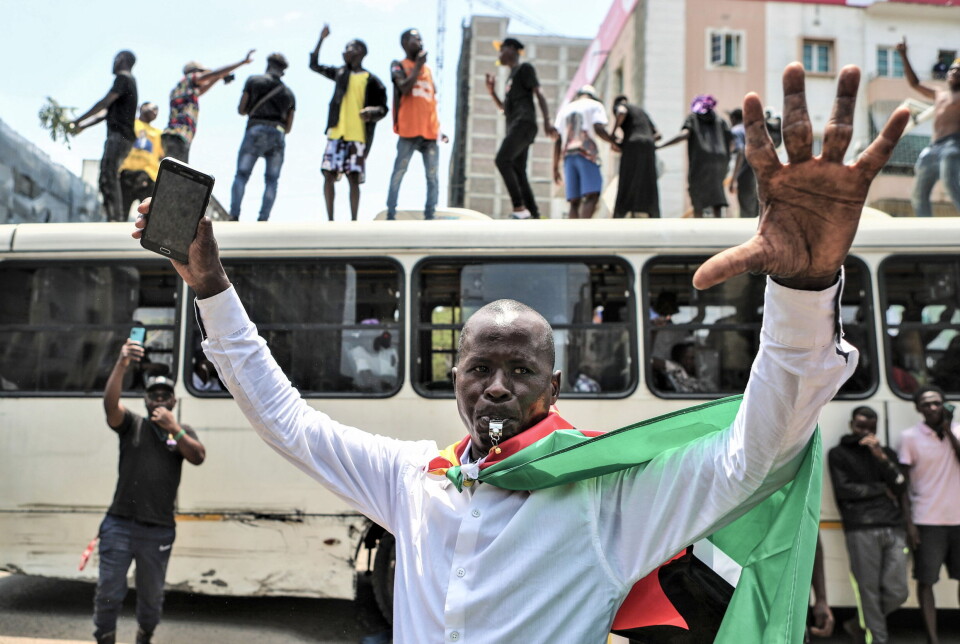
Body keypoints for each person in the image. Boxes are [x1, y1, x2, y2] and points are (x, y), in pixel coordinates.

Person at [132, 63, 908, 643]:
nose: (496, 386)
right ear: (455, 379)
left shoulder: (609, 499)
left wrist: (806, 290)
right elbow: (286, 421)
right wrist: (210, 283)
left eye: (520, 370)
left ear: (555, 385)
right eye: (479, 368)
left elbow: (754, 453)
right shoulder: (415, 480)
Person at [94, 339, 205, 644]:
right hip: (119, 524)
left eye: (165, 396)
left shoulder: (182, 433)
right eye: (153, 395)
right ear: (145, 401)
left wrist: (175, 428)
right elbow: (110, 406)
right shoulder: (133, 425)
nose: (158, 400)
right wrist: (122, 362)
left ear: (174, 403)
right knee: (109, 591)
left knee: (151, 597)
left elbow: (197, 456)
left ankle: (145, 635)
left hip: (157, 530)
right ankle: (104, 637)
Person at [828, 406, 909, 644]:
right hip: (860, 527)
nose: (864, 432)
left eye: (870, 428)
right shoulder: (839, 453)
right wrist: (881, 490)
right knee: (868, 591)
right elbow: (844, 490)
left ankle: (857, 623)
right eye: (860, 426)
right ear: (851, 425)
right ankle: (877, 639)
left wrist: (881, 459)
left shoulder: (885, 454)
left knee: (898, 591)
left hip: (893, 526)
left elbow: (901, 486)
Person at [897, 385, 960, 644]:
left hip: (958, 520)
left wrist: (947, 430)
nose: (932, 408)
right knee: (926, 581)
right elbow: (903, 485)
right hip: (926, 521)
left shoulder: (956, 432)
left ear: (944, 405)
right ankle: (933, 639)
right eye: (926, 404)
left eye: (936, 403)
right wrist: (909, 524)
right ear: (918, 409)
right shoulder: (909, 437)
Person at [310, 24, 388, 221]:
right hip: (336, 133)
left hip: (357, 135)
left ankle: (354, 219)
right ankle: (330, 219)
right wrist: (321, 40)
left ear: (360, 52)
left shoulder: (372, 80)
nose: (345, 51)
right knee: (328, 174)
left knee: (354, 178)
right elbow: (314, 65)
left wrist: (372, 112)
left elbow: (383, 108)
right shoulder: (340, 73)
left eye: (349, 47)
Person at [485, 37, 558, 219]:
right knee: (518, 169)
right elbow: (504, 109)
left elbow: (538, 93)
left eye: (502, 50)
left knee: (502, 160)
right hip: (516, 125)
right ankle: (533, 213)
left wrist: (547, 121)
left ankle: (519, 208)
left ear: (511, 49)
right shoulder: (510, 78)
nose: (499, 54)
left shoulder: (525, 69)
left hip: (524, 123)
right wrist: (492, 92)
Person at [386, 28, 448, 221]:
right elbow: (404, 88)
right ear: (404, 43)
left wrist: (439, 130)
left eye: (421, 39)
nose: (420, 42)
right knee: (399, 171)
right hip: (409, 130)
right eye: (415, 39)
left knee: (433, 176)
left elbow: (429, 102)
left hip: (429, 133)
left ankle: (431, 213)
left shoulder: (427, 71)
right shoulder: (399, 65)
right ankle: (391, 212)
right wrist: (417, 66)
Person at [70, 50, 138, 222]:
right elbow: (106, 113)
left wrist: (76, 121)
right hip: (123, 137)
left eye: (116, 59)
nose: (113, 63)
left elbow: (104, 103)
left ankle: (115, 218)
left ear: (122, 60)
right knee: (106, 175)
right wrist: (83, 126)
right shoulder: (128, 82)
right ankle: (113, 216)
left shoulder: (124, 79)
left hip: (120, 136)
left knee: (108, 174)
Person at [896, 37, 960, 217]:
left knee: (950, 183)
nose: (955, 73)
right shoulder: (940, 95)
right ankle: (924, 223)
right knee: (918, 192)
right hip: (933, 147)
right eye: (953, 70)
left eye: (959, 72)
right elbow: (915, 83)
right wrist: (903, 55)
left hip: (953, 145)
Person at [229, 53, 296, 222]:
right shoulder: (289, 94)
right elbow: (289, 127)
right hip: (278, 133)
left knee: (242, 175)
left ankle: (234, 215)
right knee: (272, 180)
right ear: (283, 71)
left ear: (268, 65)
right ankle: (263, 218)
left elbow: (241, 109)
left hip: (255, 130)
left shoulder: (254, 81)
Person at [160, 51, 255, 163]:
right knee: (175, 175)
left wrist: (220, 77)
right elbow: (213, 74)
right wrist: (242, 62)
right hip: (178, 136)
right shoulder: (191, 78)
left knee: (172, 172)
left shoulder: (183, 89)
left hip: (176, 137)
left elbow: (206, 85)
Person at [659, 94, 734, 218]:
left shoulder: (693, 118)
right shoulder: (720, 120)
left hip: (701, 161)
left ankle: (699, 223)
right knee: (717, 194)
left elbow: (684, 134)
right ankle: (718, 224)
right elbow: (731, 141)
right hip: (720, 160)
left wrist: (662, 145)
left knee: (697, 193)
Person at [552, 85, 616, 219]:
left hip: (568, 156)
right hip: (586, 153)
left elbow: (558, 139)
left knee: (574, 201)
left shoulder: (565, 109)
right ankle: (583, 232)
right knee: (592, 195)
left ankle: (573, 235)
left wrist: (555, 167)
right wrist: (613, 142)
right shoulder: (595, 105)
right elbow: (598, 127)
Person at [609, 95, 661, 218]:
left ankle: (621, 212)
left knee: (627, 178)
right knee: (648, 179)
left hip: (632, 144)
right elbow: (658, 135)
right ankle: (652, 212)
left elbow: (621, 112)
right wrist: (645, 140)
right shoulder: (642, 112)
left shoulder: (622, 106)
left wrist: (613, 135)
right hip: (648, 145)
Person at [118, 102, 163, 221]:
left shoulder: (158, 133)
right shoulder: (130, 124)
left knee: (150, 217)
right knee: (120, 213)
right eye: (153, 107)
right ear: (142, 107)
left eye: (157, 110)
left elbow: (162, 155)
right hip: (127, 175)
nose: (155, 111)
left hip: (148, 178)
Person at [729, 108, 759, 218]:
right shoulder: (752, 130)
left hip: (746, 174)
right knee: (756, 209)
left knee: (746, 209)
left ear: (733, 119)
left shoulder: (736, 131)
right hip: (757, 173)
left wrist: (733, 179)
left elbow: (741, 152)